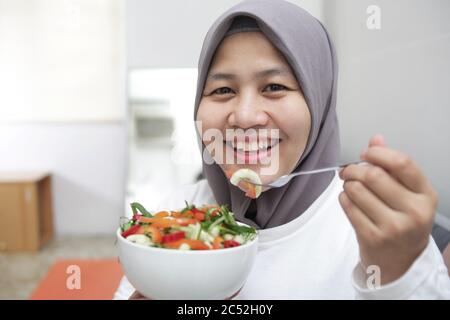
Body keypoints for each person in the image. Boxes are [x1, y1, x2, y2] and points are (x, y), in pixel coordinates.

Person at [115, 0, 450, 299]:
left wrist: (401, 271)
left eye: (274, 87)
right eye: (222, 90)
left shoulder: (368, 228)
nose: (245, 116)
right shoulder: (168, 215)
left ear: (319, 102)